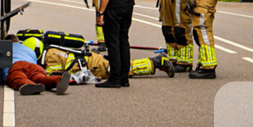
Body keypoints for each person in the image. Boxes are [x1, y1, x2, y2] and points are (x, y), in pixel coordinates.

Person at [43, 45, 175, 79]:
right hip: (91, 61)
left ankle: (158, 61)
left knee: (125, 69)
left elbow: (55, 76)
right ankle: (156, 61)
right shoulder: (51, 51)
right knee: (123, 67)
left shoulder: (50, 58)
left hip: (94, 65)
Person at [1, 35, 72, 95]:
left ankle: (29, 84)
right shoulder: (29, 49)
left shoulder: (3, 50)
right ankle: (58, 79)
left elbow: (0, 72)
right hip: (33, 66)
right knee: (41, 78)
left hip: (16, 65)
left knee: (18, 78)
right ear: (18, 41)